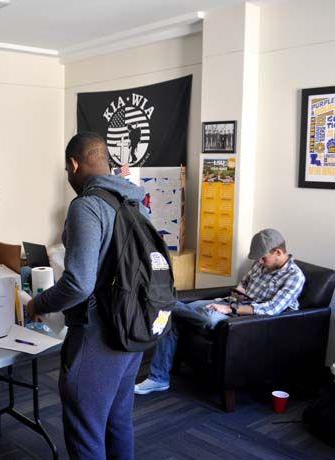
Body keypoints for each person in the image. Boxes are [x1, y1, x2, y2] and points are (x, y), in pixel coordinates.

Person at [26, 132, 147, 460]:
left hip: (99, 333)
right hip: (134, 327)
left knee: (86, 429)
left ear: (74, 164)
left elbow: (79, 283)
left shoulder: (87, 206)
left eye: (68, 171)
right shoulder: (134, 202)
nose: (68, 177)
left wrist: (39, 303)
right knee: (118, 421)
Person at [135, 228, 306, 395]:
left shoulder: (294, 276)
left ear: (278, 252)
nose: (260, 262)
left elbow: (271, 309)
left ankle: (162, 302)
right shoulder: (261, 265)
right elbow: (244, 283)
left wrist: (231, 309)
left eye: (263, 258)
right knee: (171, 313)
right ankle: (159, 379)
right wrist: (237, 294)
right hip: (229, 305)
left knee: (194, 314)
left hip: (245, 322)